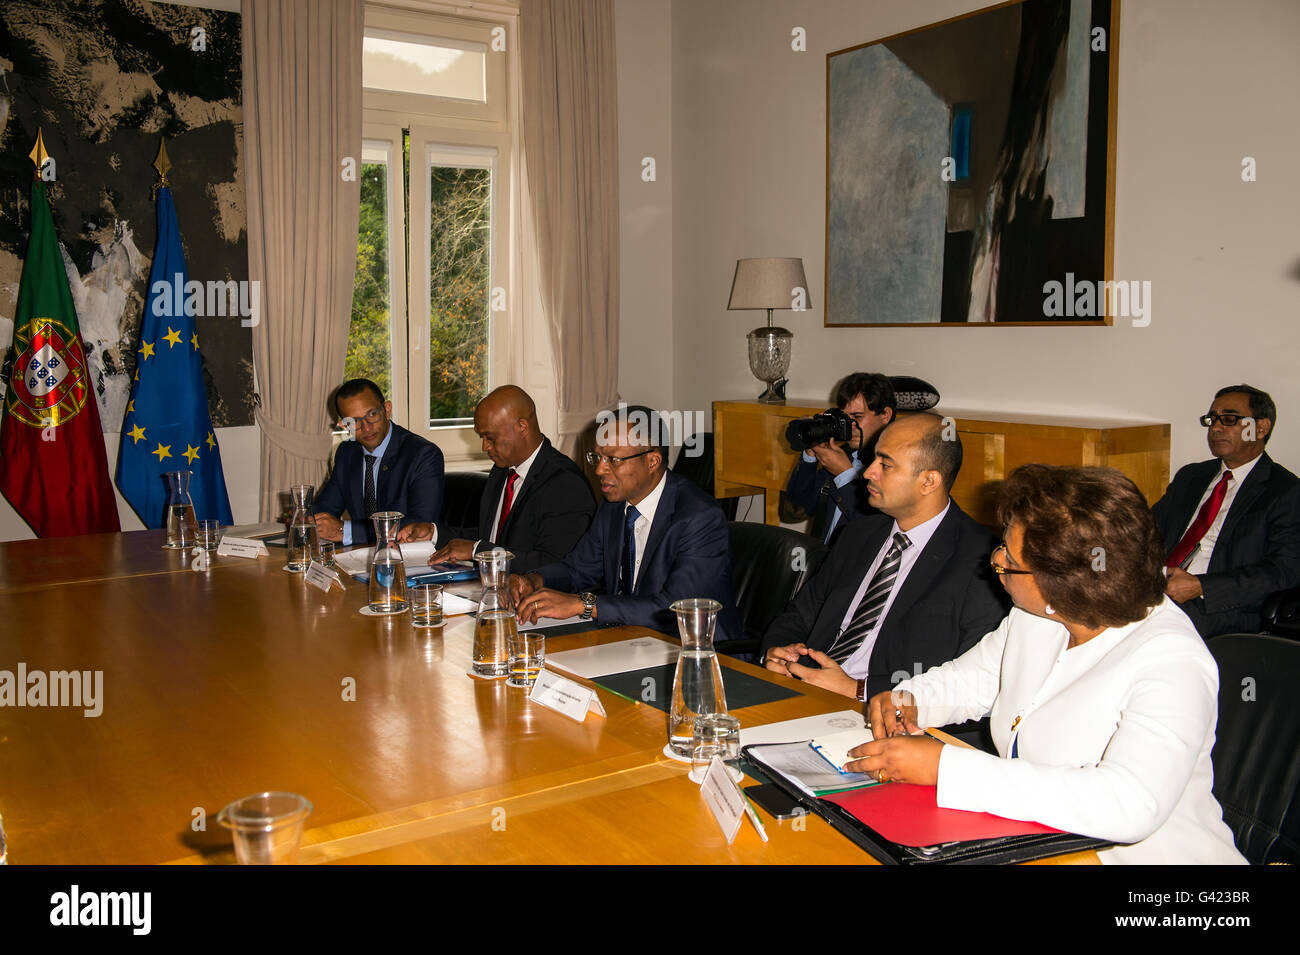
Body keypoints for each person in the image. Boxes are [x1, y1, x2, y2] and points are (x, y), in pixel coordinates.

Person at [848, 464, 1245, 865]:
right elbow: (977, 679)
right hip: (1033, 841)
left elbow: (1129, 805)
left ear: (1061, 585)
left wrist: (949, 769)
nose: (995, 560)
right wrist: (911, 698)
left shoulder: (1172, 661)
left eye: (1009, 560)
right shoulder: (1039, 616)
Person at [761, 413, 1008, 737]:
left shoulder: (982, 561)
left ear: (928, 481)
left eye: (885, 464)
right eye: (873, 458)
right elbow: (803, 611)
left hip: (891, 723)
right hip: (806, 695)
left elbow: (973, 679)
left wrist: (859, 689)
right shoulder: (860, 532)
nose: (868, 472)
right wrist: (778, 649)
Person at [511, 404, 741, 640]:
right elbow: (578, 569)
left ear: (652, 461)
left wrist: (585, 605)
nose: (600, 469)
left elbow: (674, 609)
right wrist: (533, 580)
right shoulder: (613, 505)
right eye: (598, 457)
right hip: (633, 641)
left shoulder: (700, 517)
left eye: (613, 459)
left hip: (700, 654)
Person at [1152, 384, 1300, 638]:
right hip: (1158, 590)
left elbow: (1283, 570)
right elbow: (1147, 530)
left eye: (1229, 419)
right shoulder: (1192, 476)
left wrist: (1201, 586)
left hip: (1219, 607)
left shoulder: (1285, 491)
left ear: (1260, 428)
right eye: (1211, 420)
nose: (1215, 428)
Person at [397, 385, 596, 573]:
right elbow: (493, 537)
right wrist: (434, 533)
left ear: (522, 426)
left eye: (490, 438)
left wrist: (479, 551)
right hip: (495, 589)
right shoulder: (502, 470)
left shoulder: (565, 483)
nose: (485, 447)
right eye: (481, 437)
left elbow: (554, 564)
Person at [312, 378, 444, 546]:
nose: (366, 427)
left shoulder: (423, 455)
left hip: (408, 560)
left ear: (387, 410)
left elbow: (417, 526)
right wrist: (307, 519)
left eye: (372, 414)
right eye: (354, 422)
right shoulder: (347, 453)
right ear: (344, 426)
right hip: (357, 558)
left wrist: (345, 531)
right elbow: (325, 508)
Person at [785, 372, 895, 545]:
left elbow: (875, 530)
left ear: (885, 415)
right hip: (825, 562)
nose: (849, 426)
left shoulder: (894, 465)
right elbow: (798, 509)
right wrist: (811, 453)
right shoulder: (843, 455)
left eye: (857, 417)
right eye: (844, 417)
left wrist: (845, 475)